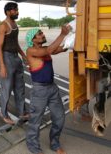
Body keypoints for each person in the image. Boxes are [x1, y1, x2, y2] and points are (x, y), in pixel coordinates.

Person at [25, 26, 69, 154]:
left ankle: (54, 144)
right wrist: (62, 34)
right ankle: (33, 147)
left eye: (42, 32)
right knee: (35, 121)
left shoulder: (45, 49)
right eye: (39, 34)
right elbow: (50, 49)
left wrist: (72, 42)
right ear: (33, 40)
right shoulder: (30, 50)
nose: (43, 34)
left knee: (60, 117)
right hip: (39, 91)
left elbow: (61, 48)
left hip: (52, 88)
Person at [0, 2, 28, 125]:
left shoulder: (15, 24)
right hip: (7, 58)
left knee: (20, 87)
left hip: (16, 58)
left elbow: (15, 43)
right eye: (15, 10)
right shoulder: (3, 26)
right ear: (8, 11)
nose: (17, 12)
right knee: (7, 88)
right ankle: (3, 113)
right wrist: (2, 66)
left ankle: (22, 112)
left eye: (17, 9)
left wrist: (23, 55)